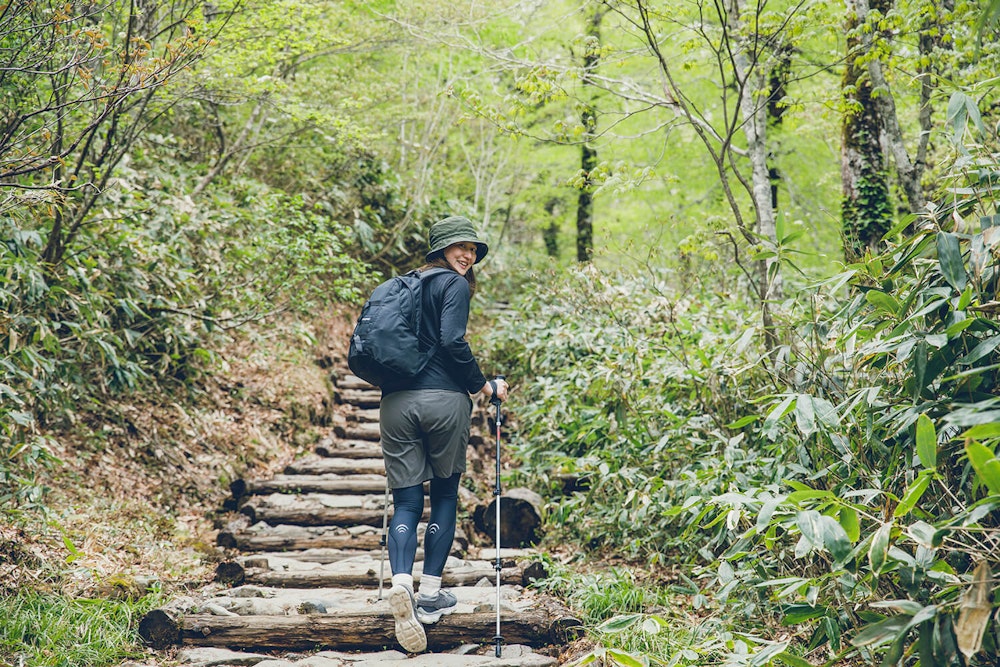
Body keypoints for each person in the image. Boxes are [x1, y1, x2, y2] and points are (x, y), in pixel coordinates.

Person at [379, 215, 509, 653]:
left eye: (472, 249)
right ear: (439, 250)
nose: (468, 255)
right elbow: (453, 341)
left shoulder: (401, 286)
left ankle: (401, 584)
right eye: (460, 247)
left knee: (407, 501)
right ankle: (430, 597)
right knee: (446, 495)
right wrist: (485, 385)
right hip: (442, 402)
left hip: (396, 403)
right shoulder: (451, 285)